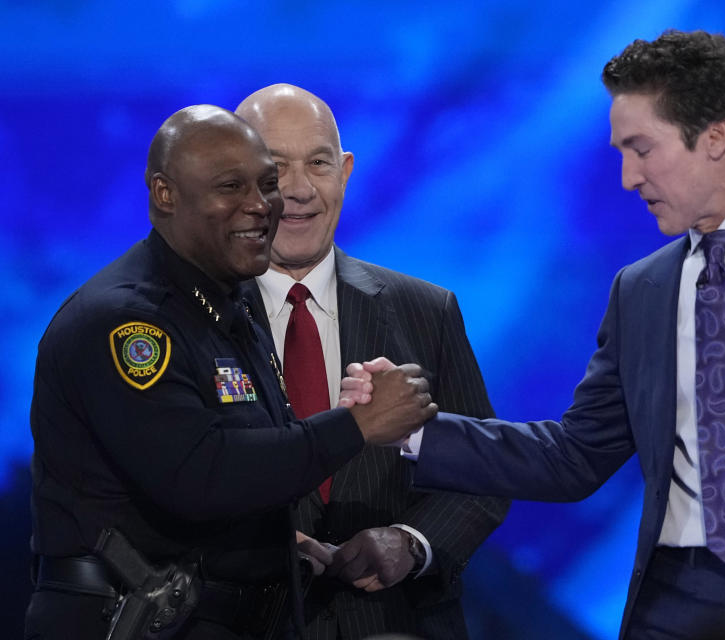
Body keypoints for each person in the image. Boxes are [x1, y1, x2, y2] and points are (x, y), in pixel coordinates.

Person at [342, 30, 725, 640]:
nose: (627, 178)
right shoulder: (641, 290)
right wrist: (416, 430)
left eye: (641, 149)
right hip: (678, 600)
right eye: (619, 153)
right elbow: (572, 458)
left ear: (715, 136)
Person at [25, 105, 434, 640]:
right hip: (124, 621)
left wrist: (271, 544)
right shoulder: (126, 322)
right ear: (164, 194)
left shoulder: (226, 307)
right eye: (230, 187)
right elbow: (199, 476)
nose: (261, 205)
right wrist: (356, 424)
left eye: (266, 185)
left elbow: (239, 462)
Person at [234, 84, 509, 640]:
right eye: (275, 167)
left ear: (347, 170)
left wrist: (411, 543)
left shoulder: (426, 310)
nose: (300, 189)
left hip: (396, 621)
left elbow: (482, 472)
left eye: (318, 162)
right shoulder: (195, 315)